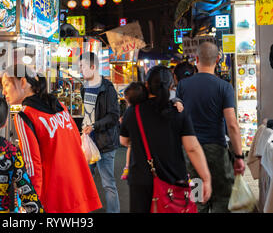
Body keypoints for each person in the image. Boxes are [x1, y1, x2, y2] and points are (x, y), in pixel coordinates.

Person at [1, 64, 102, 213]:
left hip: (54, 197)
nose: (3, 92)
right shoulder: (59, 106)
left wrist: (30, 204)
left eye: (7, 85)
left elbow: (31, 165)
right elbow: (76, 143)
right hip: (77, 188)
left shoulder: (25, 116)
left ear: (22, 82)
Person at [120, 65, 212, 213]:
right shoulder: (178, 111)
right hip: (174, 179)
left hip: (141, 181)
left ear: (147, 85)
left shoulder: (133, 111)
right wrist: (206, 179)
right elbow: (192, 148)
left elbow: (124, 141)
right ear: (171, 86)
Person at [176, 42, 245, 213]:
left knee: (198, 200)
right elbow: (232, 125)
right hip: (217, 154)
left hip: (192, 154)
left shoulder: (183, 86)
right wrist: (238, 156)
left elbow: (179, 118)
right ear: (218, 59)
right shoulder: (224, 87)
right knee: (222, 200)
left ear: (196, 59)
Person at [79, 52, 120, 213]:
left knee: (108, 184)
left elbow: (114, 116)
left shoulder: (107, 88)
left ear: (93, 67)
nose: (80, 69)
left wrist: (95, 126)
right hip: (87, 142)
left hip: (105, 142)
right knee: (85, 182)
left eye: (83, 66)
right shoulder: (84, 88)